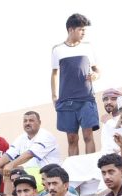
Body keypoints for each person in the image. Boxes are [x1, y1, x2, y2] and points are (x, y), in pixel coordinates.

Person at [51, 13, 100, 155]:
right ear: (71, 29)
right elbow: (54, 73)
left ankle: (90, 165)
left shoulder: (88, 47)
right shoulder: (57, 49)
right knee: (72, 139)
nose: (84, 32)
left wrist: (96, 75)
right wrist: (54, 96)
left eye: (84, 30)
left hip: (86, 99)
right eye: (81, 29)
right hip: (66, 101)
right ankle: (74, 167)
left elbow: (97, 70)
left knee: (88, 135)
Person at [0, 111, 61, 181]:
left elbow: (29, 154)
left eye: (31, 120)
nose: (27, 123)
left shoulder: (45, 136)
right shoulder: (22, 137)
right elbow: (8, 154)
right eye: (25, 121)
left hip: (48, 175)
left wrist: (10, 165)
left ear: (39, 122)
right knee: (4, 170)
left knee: (9, 170)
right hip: (30, 172)